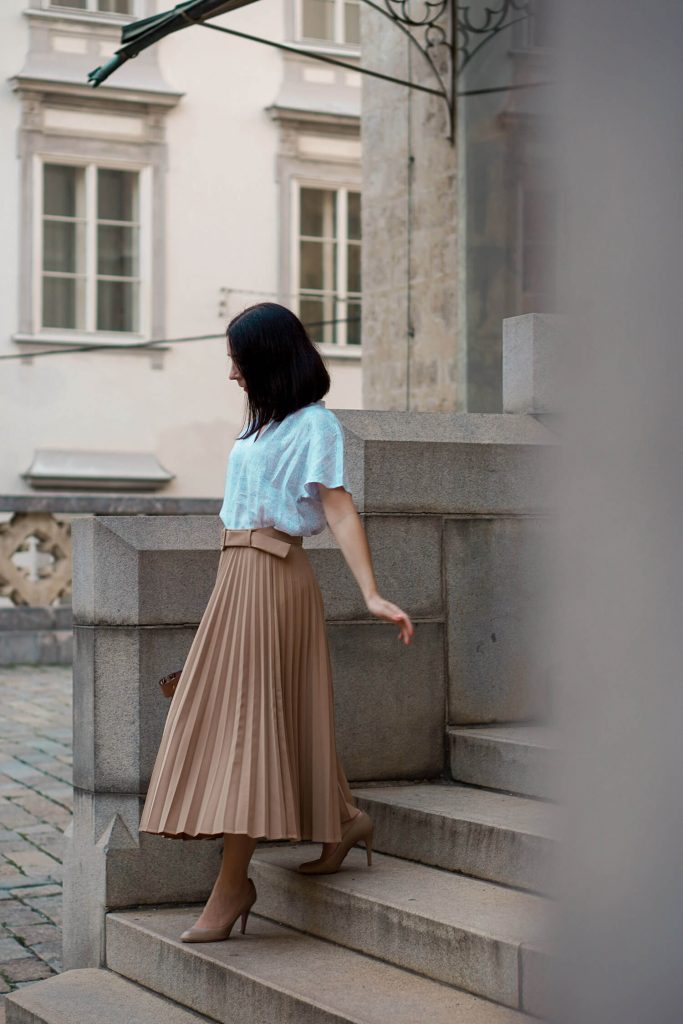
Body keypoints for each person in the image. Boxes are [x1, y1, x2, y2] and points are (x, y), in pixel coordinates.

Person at [138, 302, 414, 943]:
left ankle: (234, 885)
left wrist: (371, 593)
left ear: (265, 359)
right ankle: (344, 819)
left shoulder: (315, 425)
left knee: (244, 728)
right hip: (236, 577)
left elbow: (338, 509)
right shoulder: (260, 427)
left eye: (237, 360)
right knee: (264, 717)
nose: (231, 373)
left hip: (275, 579)